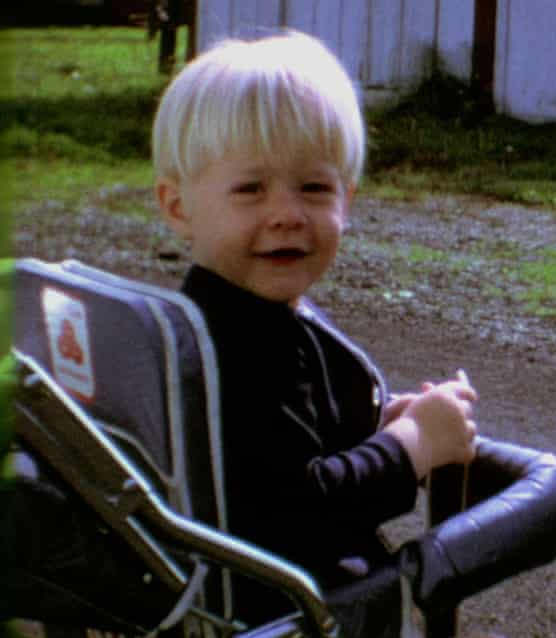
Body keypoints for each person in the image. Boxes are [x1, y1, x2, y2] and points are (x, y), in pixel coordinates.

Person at [151, 31, 479, 631]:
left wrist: (377, 431)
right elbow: (308, 510)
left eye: (314, 188)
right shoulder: (237, 346)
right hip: (279, 616)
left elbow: (273, 456)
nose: (287, 214)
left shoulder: (212, 318)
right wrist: (414, 444)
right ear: (179, 207)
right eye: (250, 189)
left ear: (345, 202)